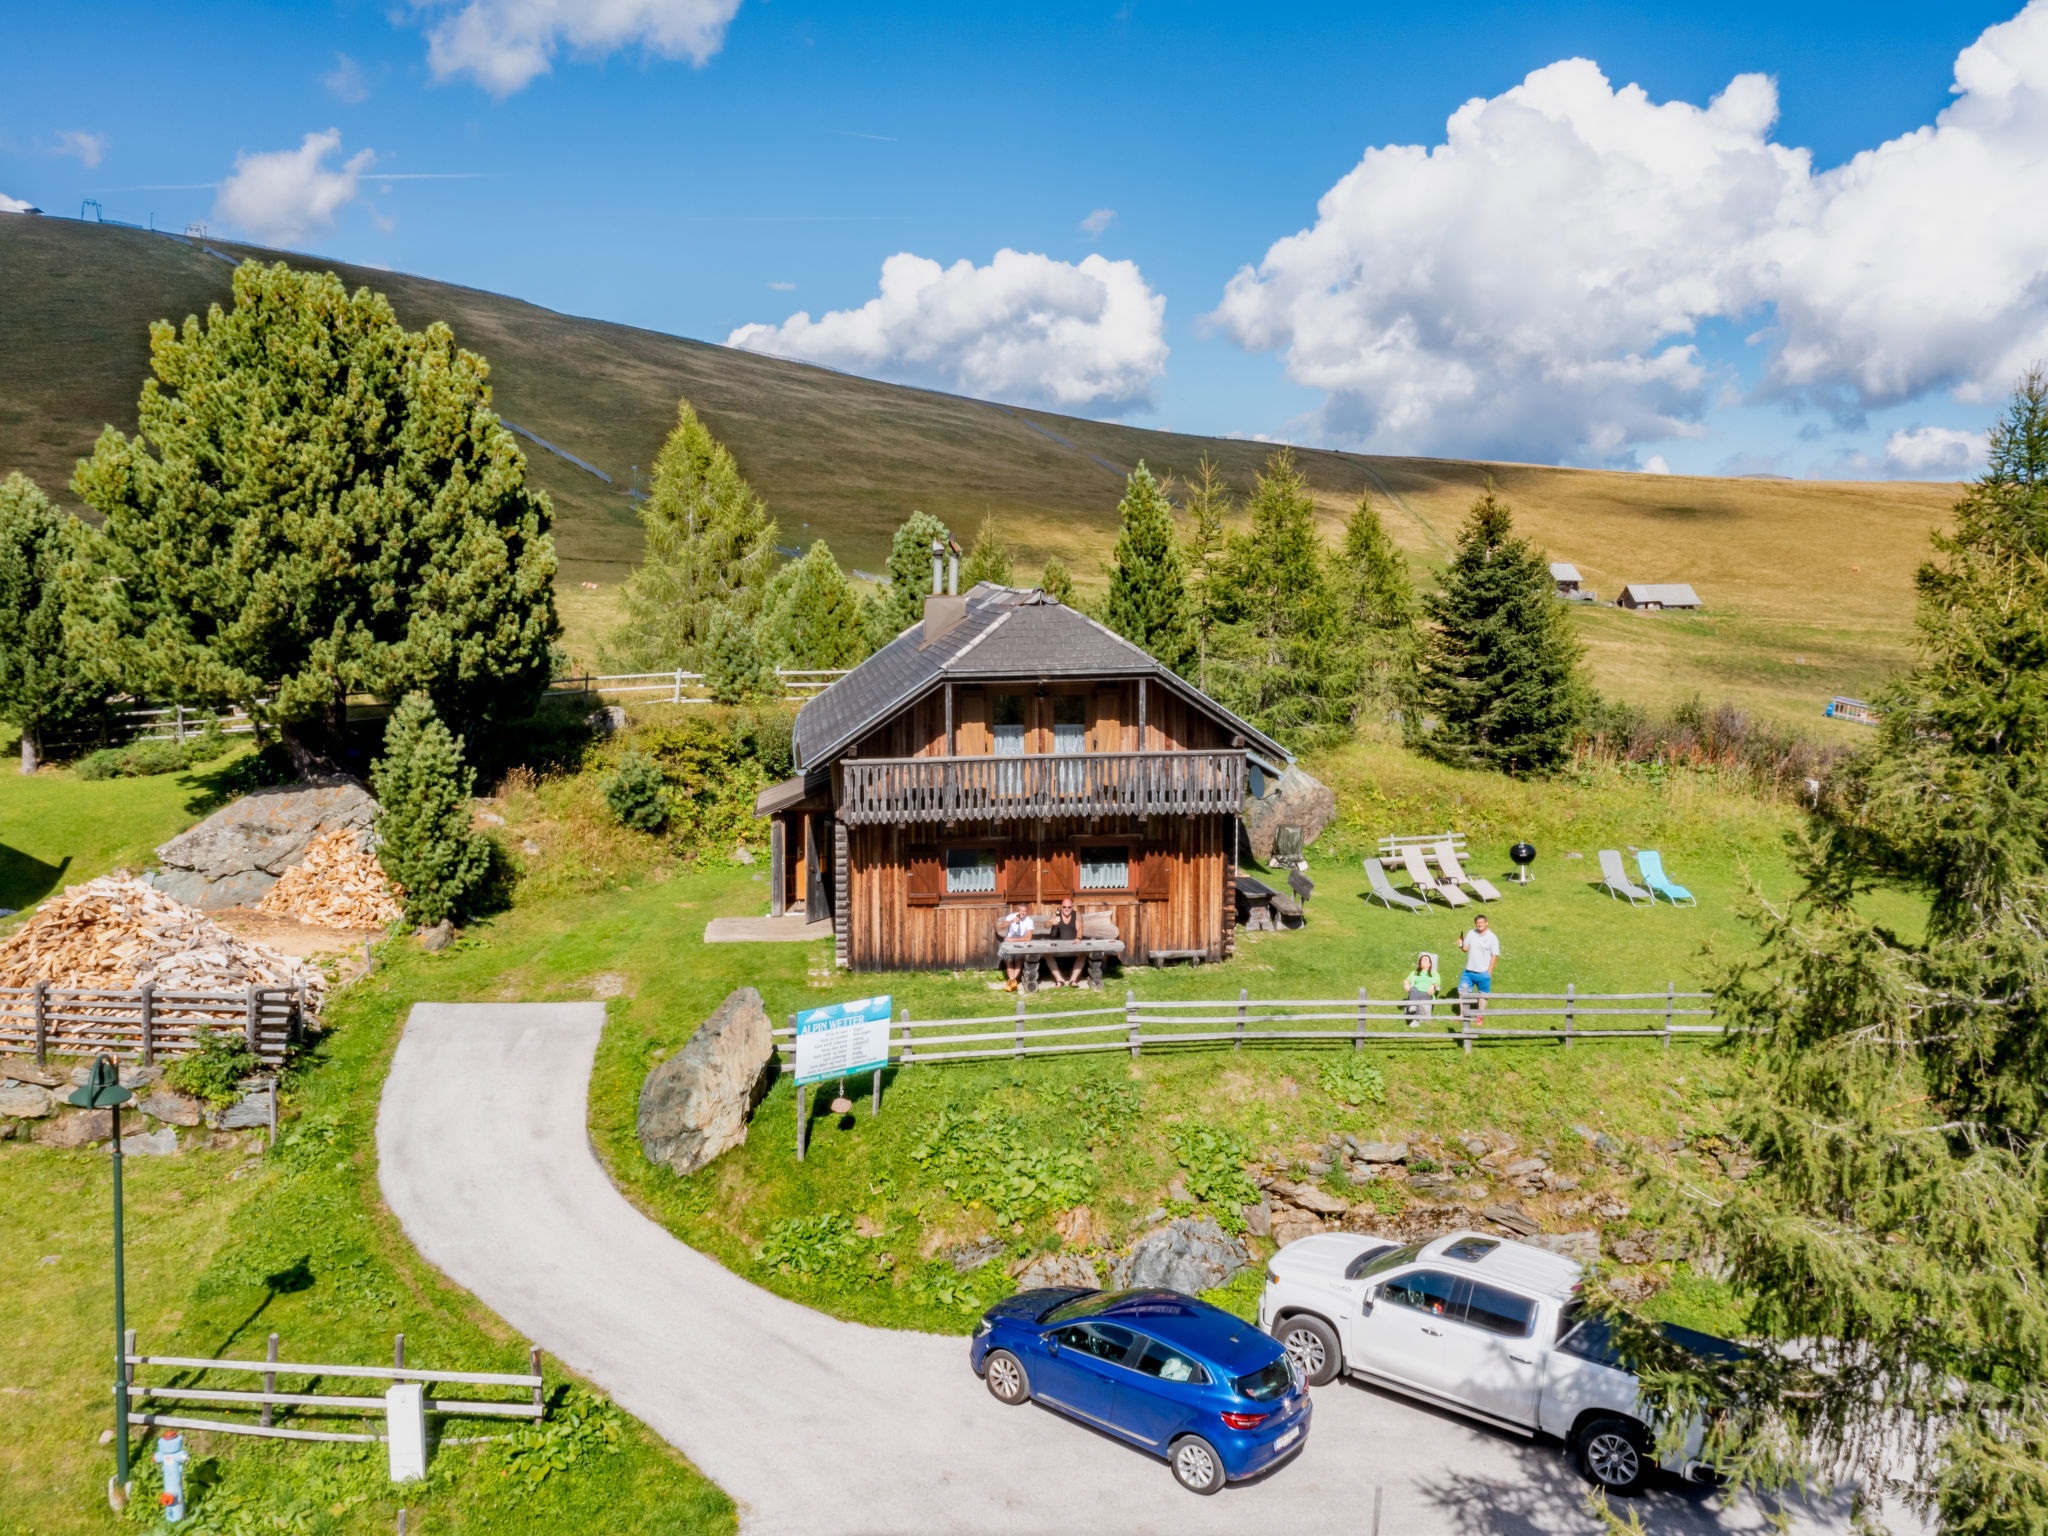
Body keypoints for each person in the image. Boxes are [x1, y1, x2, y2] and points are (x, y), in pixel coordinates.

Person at [1457, 913, 1501, 1020]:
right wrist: (1461, 944)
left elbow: (1494, 955)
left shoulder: (1492, 937)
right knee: (1461, 992)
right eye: (1477, 923)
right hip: (1469, 970)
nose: (1479, 924)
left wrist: (1489, 972)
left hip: (1483, 971)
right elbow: (1465, 949)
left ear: (1486, 923)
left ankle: (1480, 1016)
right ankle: (1462, 1015)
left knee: (1483, 995)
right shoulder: (1471, 933)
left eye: (1481, 922)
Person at [1045, 896, 1083, 986]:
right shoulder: (1056, 914)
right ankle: (1059, 979)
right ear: (1061, 907)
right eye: (1064, 907)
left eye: (1069, 907)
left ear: (1072, 907)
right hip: (1057, 945)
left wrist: (1078, 938)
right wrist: (1051, 922)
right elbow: (1045, 925)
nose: (1066, 909)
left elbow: (1080, 927)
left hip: (1072, 945)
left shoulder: (1077, 914)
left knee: (1083, 954)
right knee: (1047, 954)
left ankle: (1073, 980)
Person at [999, 902, 1034, 991]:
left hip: (1020, 943)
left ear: (1026, 912)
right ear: (1018, 910)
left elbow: (1028, 938)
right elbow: (1001, 926)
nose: (1022, 913)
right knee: (1009, 960)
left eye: (1024, 911)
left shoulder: (1028, 920)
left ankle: (1011, 981)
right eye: (1021, 911)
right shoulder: (1011, 916)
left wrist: (1012, 940)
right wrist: (1011, 921)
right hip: (1009, 943)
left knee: (1018, 960)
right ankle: (1013, 982)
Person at [1402, 952, 1440, 1027]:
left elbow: (1438, 982)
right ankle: (1415, 1020)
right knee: (1413, 989)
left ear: (1430, 964)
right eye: (1422, 960)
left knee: (1414, 996)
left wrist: (1433, 986)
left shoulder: (1434, 973)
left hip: (1427, 994)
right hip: (1415, 993)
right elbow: (1406, 980)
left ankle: (1412, 1009)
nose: (1424, 961)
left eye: (1426, 960)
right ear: (1420, 963)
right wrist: (1406, 984)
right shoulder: (1415, 973)